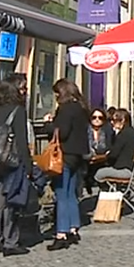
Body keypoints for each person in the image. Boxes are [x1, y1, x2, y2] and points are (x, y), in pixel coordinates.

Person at [0, 79, 32, 257]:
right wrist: (28, 166)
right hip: (11, 162)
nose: (24, 91)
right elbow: (21, 140)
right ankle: (10, 242)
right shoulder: (18, 110)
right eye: (22, 88)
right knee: (12, 201)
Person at [44, 79, 90, 251]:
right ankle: (73, 227)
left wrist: (49, 124)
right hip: (77, 156)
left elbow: (61, 132)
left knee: (61, 193)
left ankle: (61, 233)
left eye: (56, 93)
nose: (55, 96)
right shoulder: (81, 108)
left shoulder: (65, 109)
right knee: (71, 193)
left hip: (64, 155)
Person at [95, 109, 134, 183]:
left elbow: (113, 155)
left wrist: (107, 155)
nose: (112, 122)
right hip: (132, 169)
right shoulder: (132, 133)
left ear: (123, 120)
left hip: (123, 170)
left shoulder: (123, 135)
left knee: (98, 173)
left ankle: (108, 192)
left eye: (115, 120)